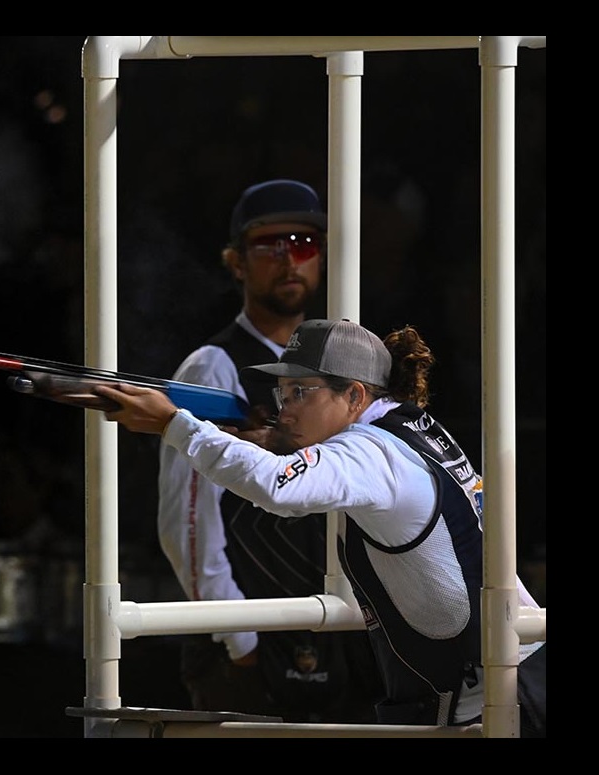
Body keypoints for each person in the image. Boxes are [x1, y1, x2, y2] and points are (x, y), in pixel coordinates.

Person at [94, 319, 547, 735]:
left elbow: (278, 488)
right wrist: (250, 440)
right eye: (282, 394)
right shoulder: (406, 429)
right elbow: (294, 476)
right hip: (510, 672)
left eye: (299, 393)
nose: (284, 410)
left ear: (353, 396)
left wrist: (173, 424)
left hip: (492, 698)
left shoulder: (371, 451)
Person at [157, 179, 381, 722]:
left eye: (304, 244)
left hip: (333, 632)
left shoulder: (346, 369)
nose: (289, 259)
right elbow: (188, 525)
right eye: (269, 245)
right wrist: (242, 643)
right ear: (236, 262)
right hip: (249, 650)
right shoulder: (214, 366)